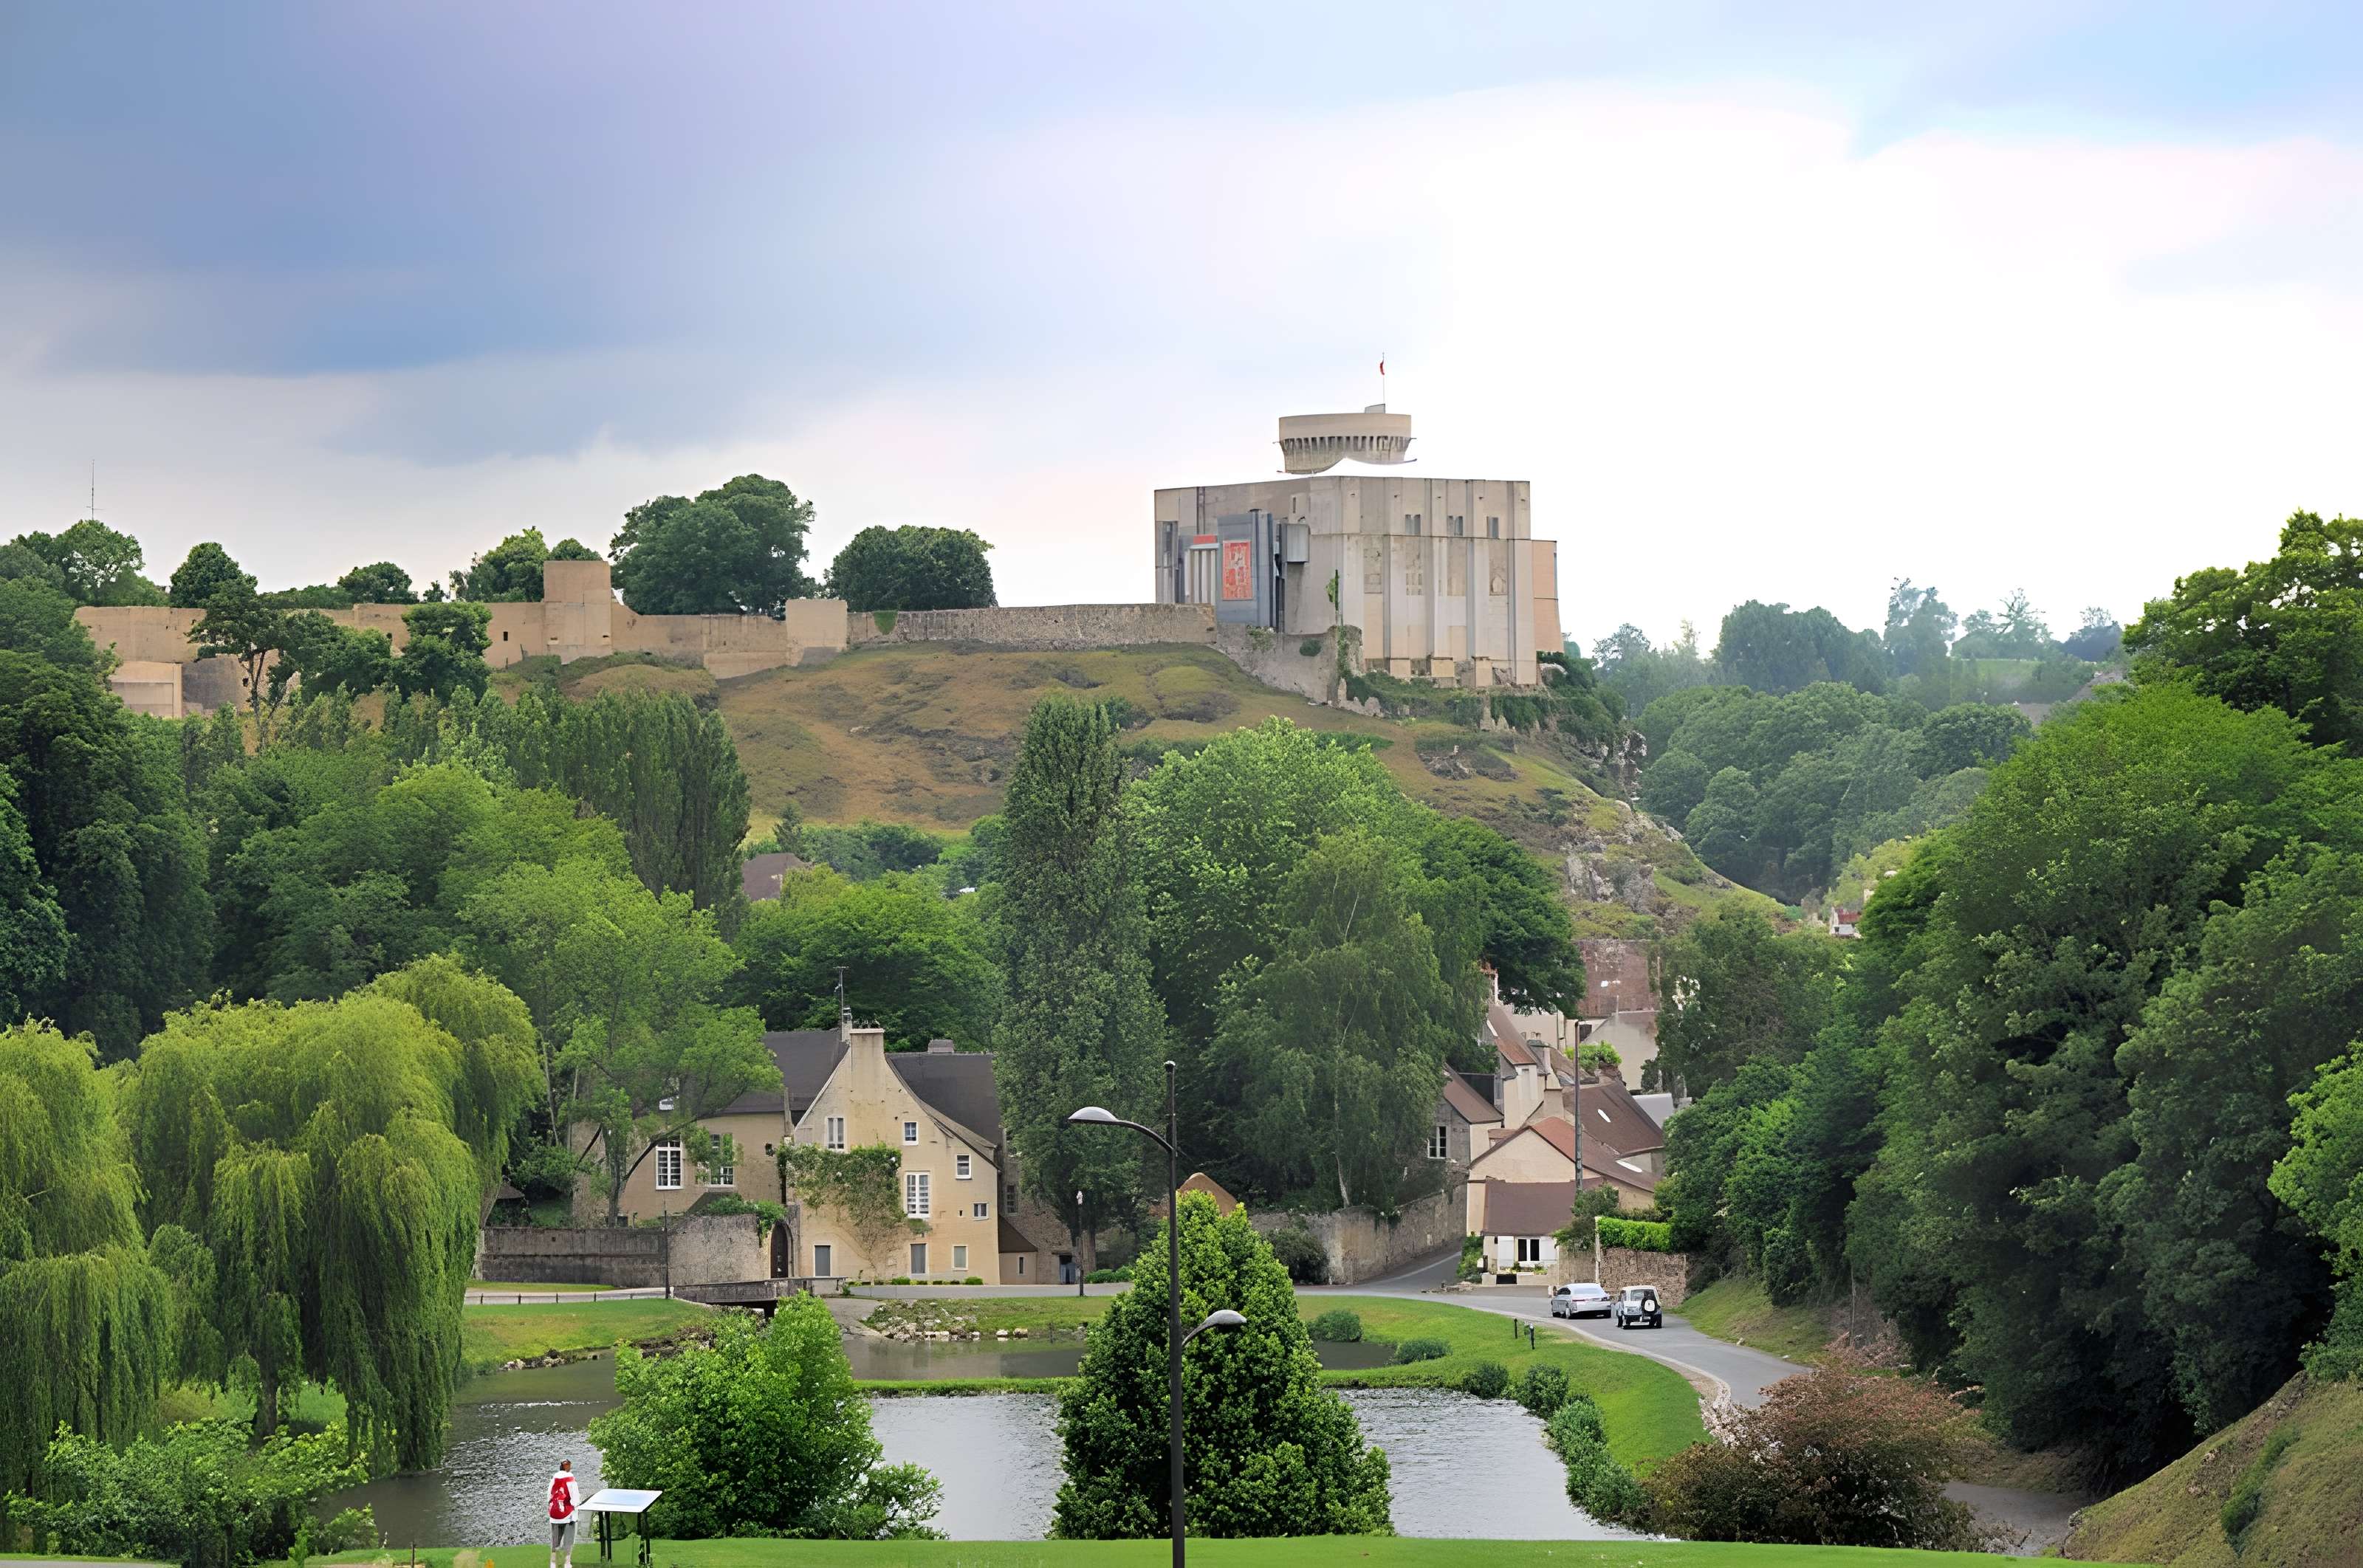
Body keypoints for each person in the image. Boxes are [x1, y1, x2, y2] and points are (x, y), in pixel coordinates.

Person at [546, 1458, 580, 1568]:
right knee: (568, 1540)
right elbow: (575, 1499)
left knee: (555, 1540)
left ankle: (553, 1563)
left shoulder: (553, 1479)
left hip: (554, 1515)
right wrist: (576, 1508)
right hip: (567, 1515)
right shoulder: (571, 1479)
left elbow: (549, 1497)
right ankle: (567, 1563)